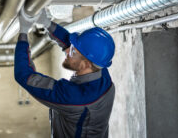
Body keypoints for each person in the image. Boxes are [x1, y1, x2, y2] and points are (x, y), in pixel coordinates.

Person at [14, 8, 116, 138]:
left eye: (72, 52)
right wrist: (47, 23)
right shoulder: (101, 74)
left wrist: (23, 32)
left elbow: (24, 76)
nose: (68, 51)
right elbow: (70, 44)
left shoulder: (74, 98)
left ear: (86, 64)